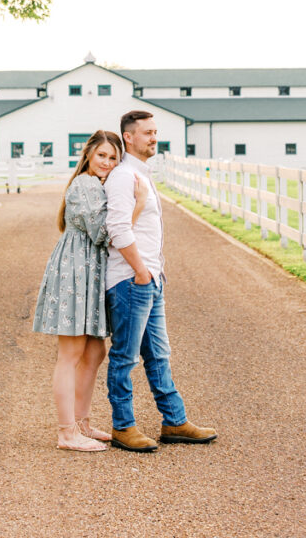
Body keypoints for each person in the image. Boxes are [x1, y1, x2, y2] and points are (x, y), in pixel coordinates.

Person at [104, 110, 218, 453]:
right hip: (130, 281)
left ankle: (174, 421)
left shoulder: (140, 173)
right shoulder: (124, 176)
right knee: (125, 357)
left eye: (156, 132)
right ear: (128, 137)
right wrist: (140, 272)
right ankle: (123, 427)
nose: (155, 138)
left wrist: (152, 274)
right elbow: (118, 230)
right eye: (148, 133)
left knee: (159, 355)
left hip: (150, 278)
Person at [32, 129, 147, 452]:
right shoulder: (84, 183)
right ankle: (66, 432)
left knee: (95, 350)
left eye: (113, 158)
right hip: (74, 273)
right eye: (102, 156)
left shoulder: (95, 185)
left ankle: (81, 422)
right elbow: (104, 232)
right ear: (88, 156)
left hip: (88, 274)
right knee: (70, 355)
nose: (107, 163)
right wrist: (138, 206)